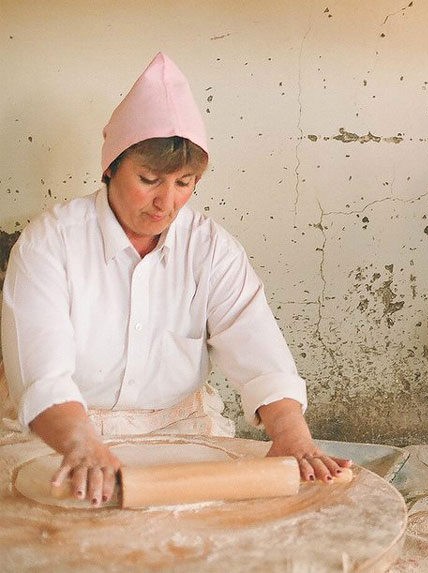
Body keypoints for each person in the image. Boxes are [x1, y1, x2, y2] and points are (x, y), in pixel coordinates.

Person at [1, 53, 350, 506]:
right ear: (110, 168)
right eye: (149, 180)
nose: (166, 203)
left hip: (180, 427)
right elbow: (41, 372)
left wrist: (293, 436)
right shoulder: (52, 242)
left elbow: (261, 353)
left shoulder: (209, 248)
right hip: (60, 433)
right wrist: (80, 444)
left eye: (185, 183)